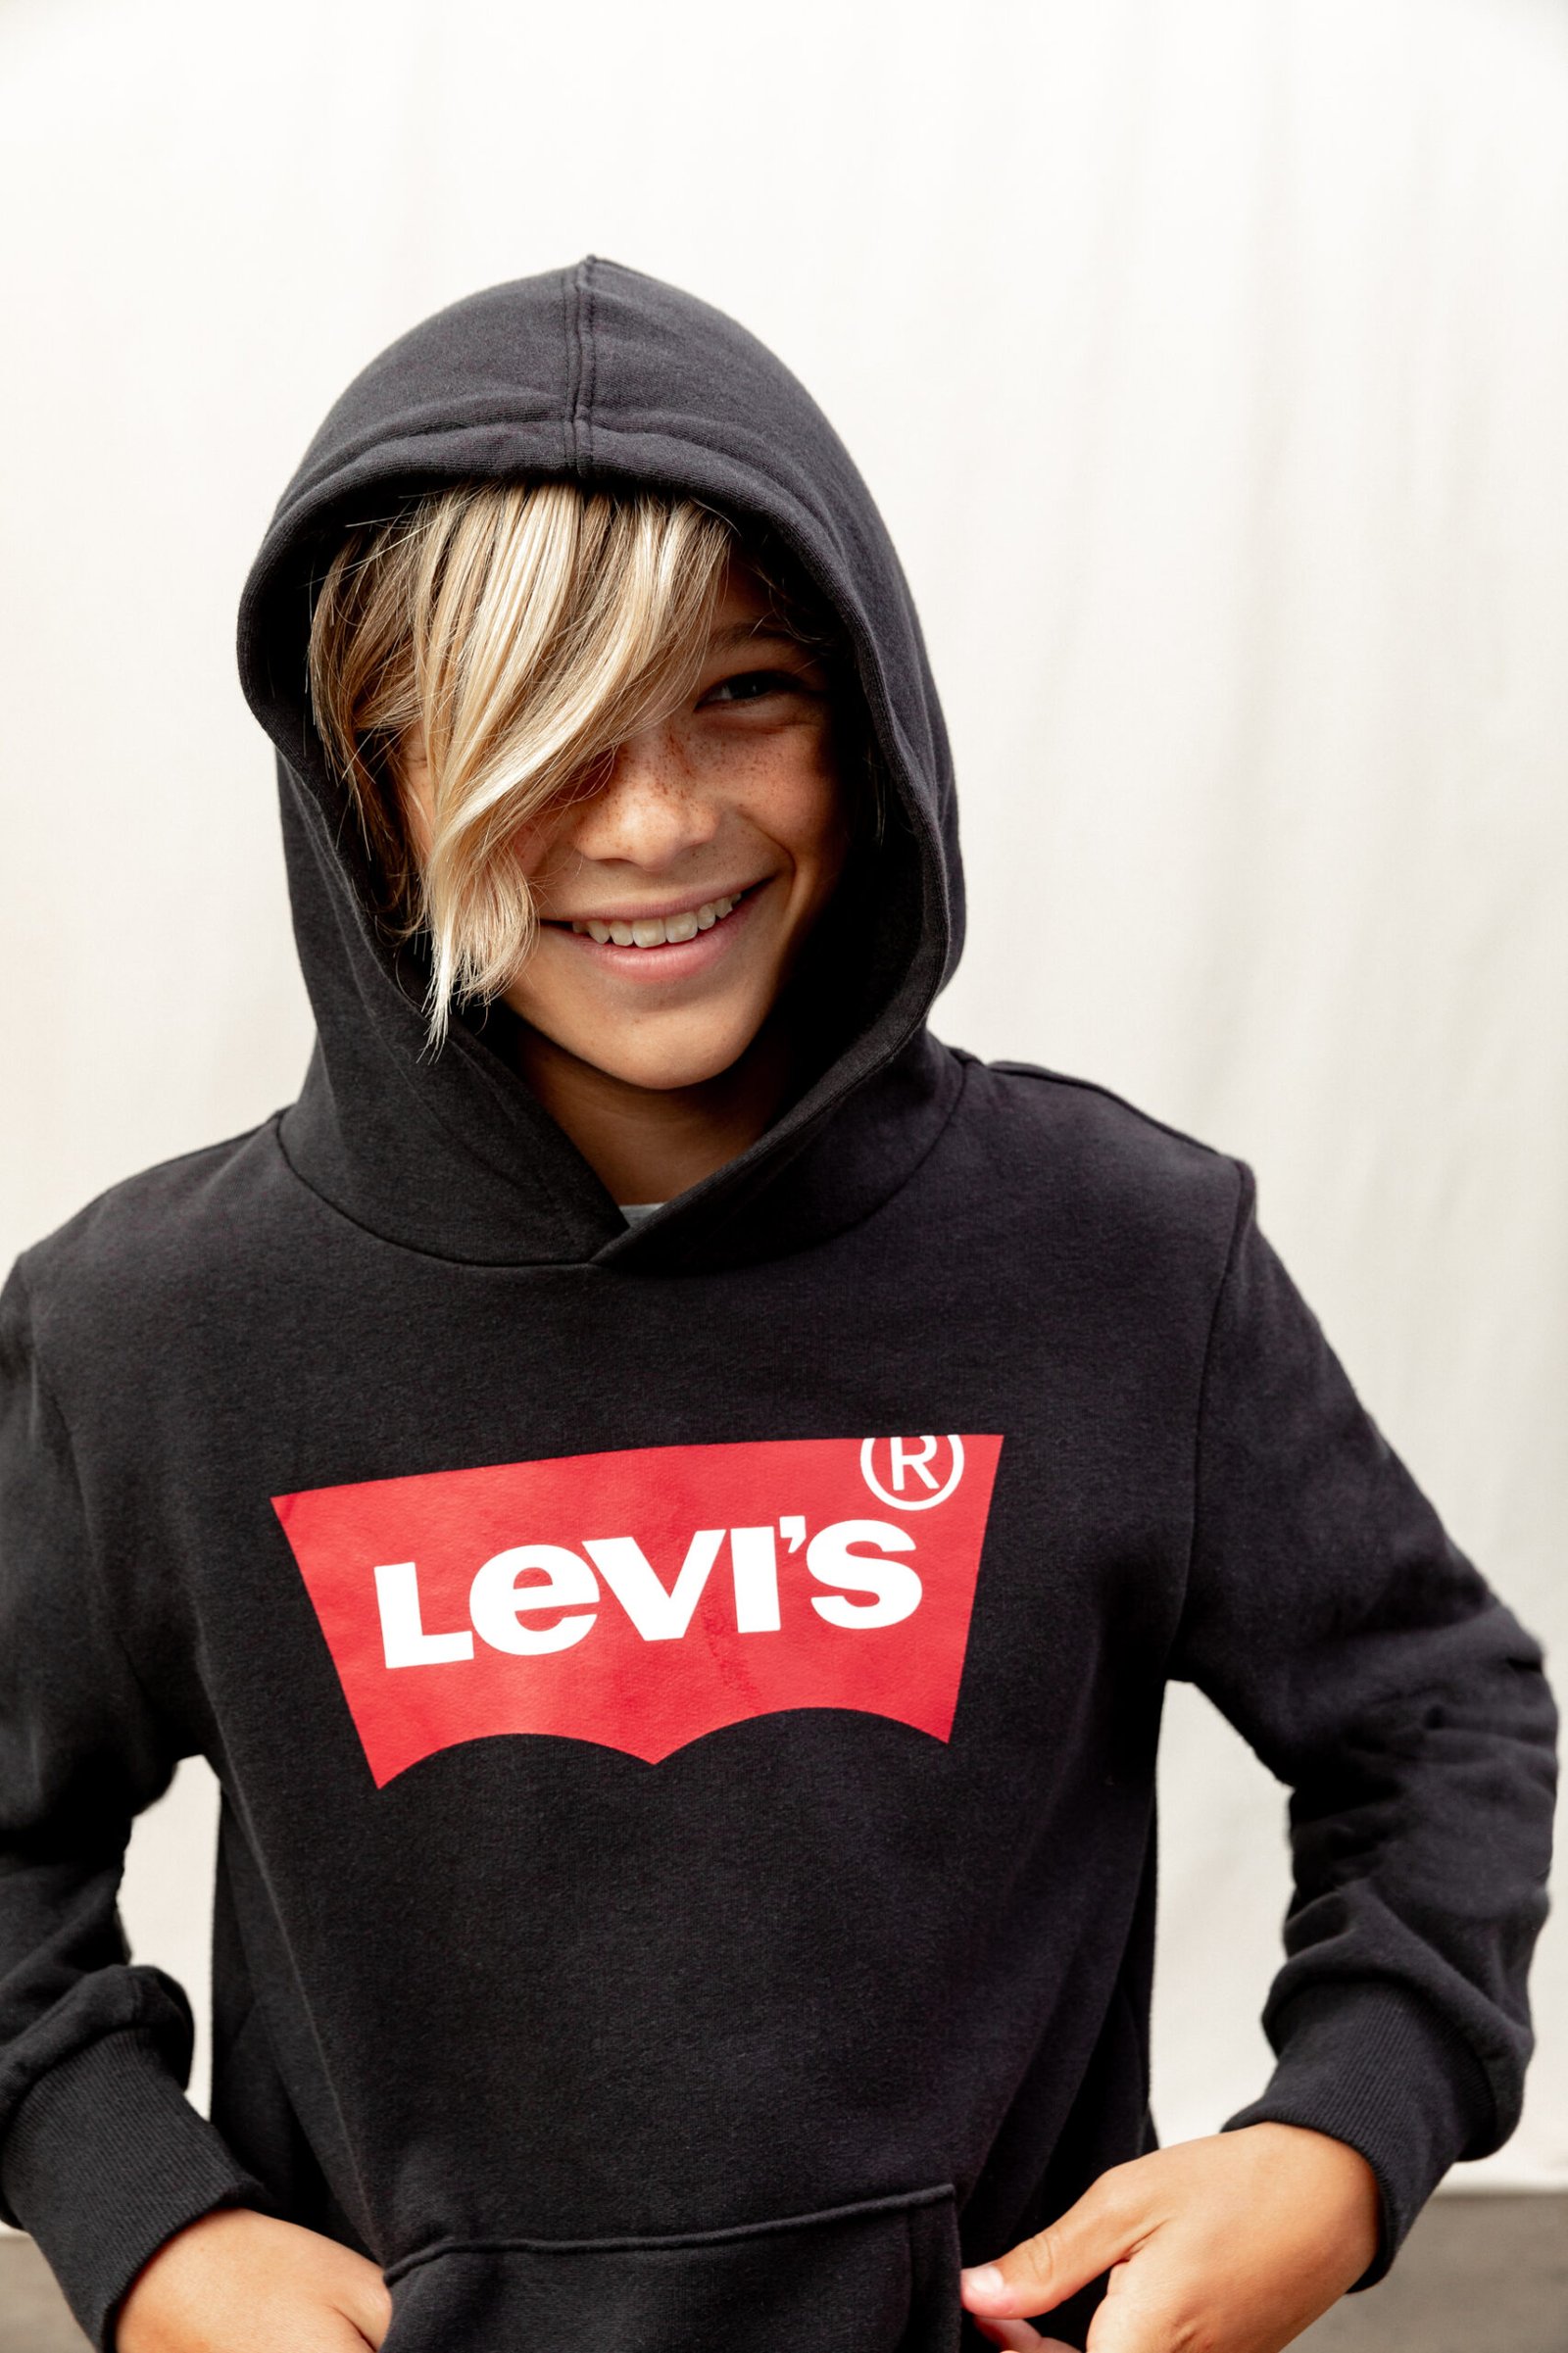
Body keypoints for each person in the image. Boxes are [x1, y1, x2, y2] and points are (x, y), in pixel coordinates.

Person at [0, 258, 1553, 2353]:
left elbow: (1435, 1714)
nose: (655, 819)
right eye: (537, 728)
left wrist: (1338, 2135)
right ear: (368, 783)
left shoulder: (1117, 1257)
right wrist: (148, 2221)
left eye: (741, 690)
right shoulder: (157, 1333)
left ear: (867, 715)